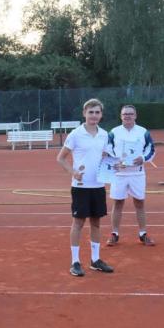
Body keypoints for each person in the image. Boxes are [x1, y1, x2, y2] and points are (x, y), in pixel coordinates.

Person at [56, 99, 114, 277]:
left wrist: (115, 165)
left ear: (101, 115)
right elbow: (61, 158)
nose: (94, 115)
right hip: (81, 187)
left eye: (97, 112)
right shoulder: (75, 134)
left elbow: (107, 158)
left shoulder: (104, 134)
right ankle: (75, 262)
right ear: (84, 113)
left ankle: (95, 260)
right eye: (91, 112)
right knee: (79, 223)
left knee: (96, 222)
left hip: (98, 185)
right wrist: (73, 172)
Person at [105, 105, 156, 247]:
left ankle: (143, 233)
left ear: (135, 115)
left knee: (139, 203)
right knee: (118, 203)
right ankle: (114, 234)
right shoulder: (114, 132)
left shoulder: (143, 132)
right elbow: (107, 149)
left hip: (137, 173)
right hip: (119, 174)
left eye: (130, 114)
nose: (127, 116)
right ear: (121, 116)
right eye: (125, 114)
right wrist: (114, 161)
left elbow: (151, 149)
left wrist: (143, 159)